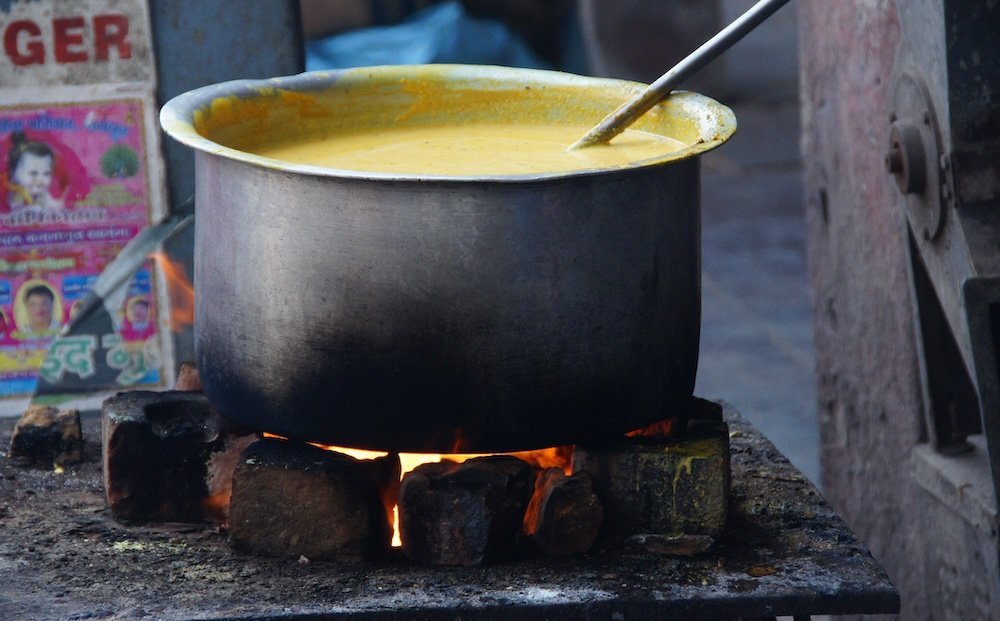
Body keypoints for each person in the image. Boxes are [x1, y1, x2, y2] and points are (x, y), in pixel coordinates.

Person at [4, 131, 64, 211]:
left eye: (46, 173)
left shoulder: (42, 193)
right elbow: (17, 210)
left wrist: (54, 205)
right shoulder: (18, 193)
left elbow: (50, 204)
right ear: (14, 173)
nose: (40, 179)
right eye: (33, 173)